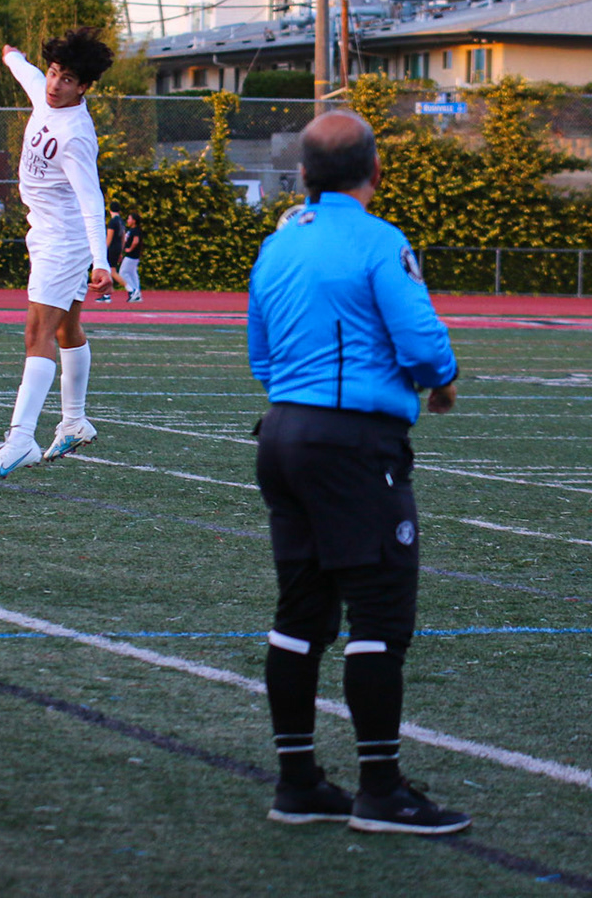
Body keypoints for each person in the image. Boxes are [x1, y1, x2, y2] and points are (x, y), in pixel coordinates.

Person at [247, 109, 468, 835]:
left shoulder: (277, 245)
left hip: (282, 432)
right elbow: (421, 342)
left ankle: (298, 782)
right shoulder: (380, 241)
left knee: (301, 615)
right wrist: (441, 379)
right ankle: (380, 790)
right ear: (375, 171)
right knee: (379, 616)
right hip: (352, 441)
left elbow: (260, 355)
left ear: (302, 175)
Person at [0, 28, 115, 482]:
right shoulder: (44, 92)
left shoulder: (76, 135)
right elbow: (28, 74)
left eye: (67, 79)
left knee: (37, 331)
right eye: (54, 72)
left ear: (83, 87)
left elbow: (92, 202)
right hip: (46, 234)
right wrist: (10, 55)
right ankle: (74, 422)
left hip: (64, 242)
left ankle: (21, 440)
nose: (54, 83)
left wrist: (101, 261)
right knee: (67, 328)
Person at [97, 207, 124, 302]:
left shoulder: (113, 222)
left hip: (111, 248)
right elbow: (123, 237)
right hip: (118, 247)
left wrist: (103, 250)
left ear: (110, 211)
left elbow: (109, 237)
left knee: (108, 271)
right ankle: (107, 294)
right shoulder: (121, 221)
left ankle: (130, 289)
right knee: (112, 271)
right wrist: (121, 251)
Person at [119, 211, 144, 304]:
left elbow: (136, 241)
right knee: (133, 274)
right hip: (133, 255)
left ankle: (133, 290)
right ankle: (137, 292)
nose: (127, 220)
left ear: (134, 221)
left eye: (129, 218)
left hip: (131, 255)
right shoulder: (132, 230)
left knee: (123, 273)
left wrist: (130, 249)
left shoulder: (136, 230)